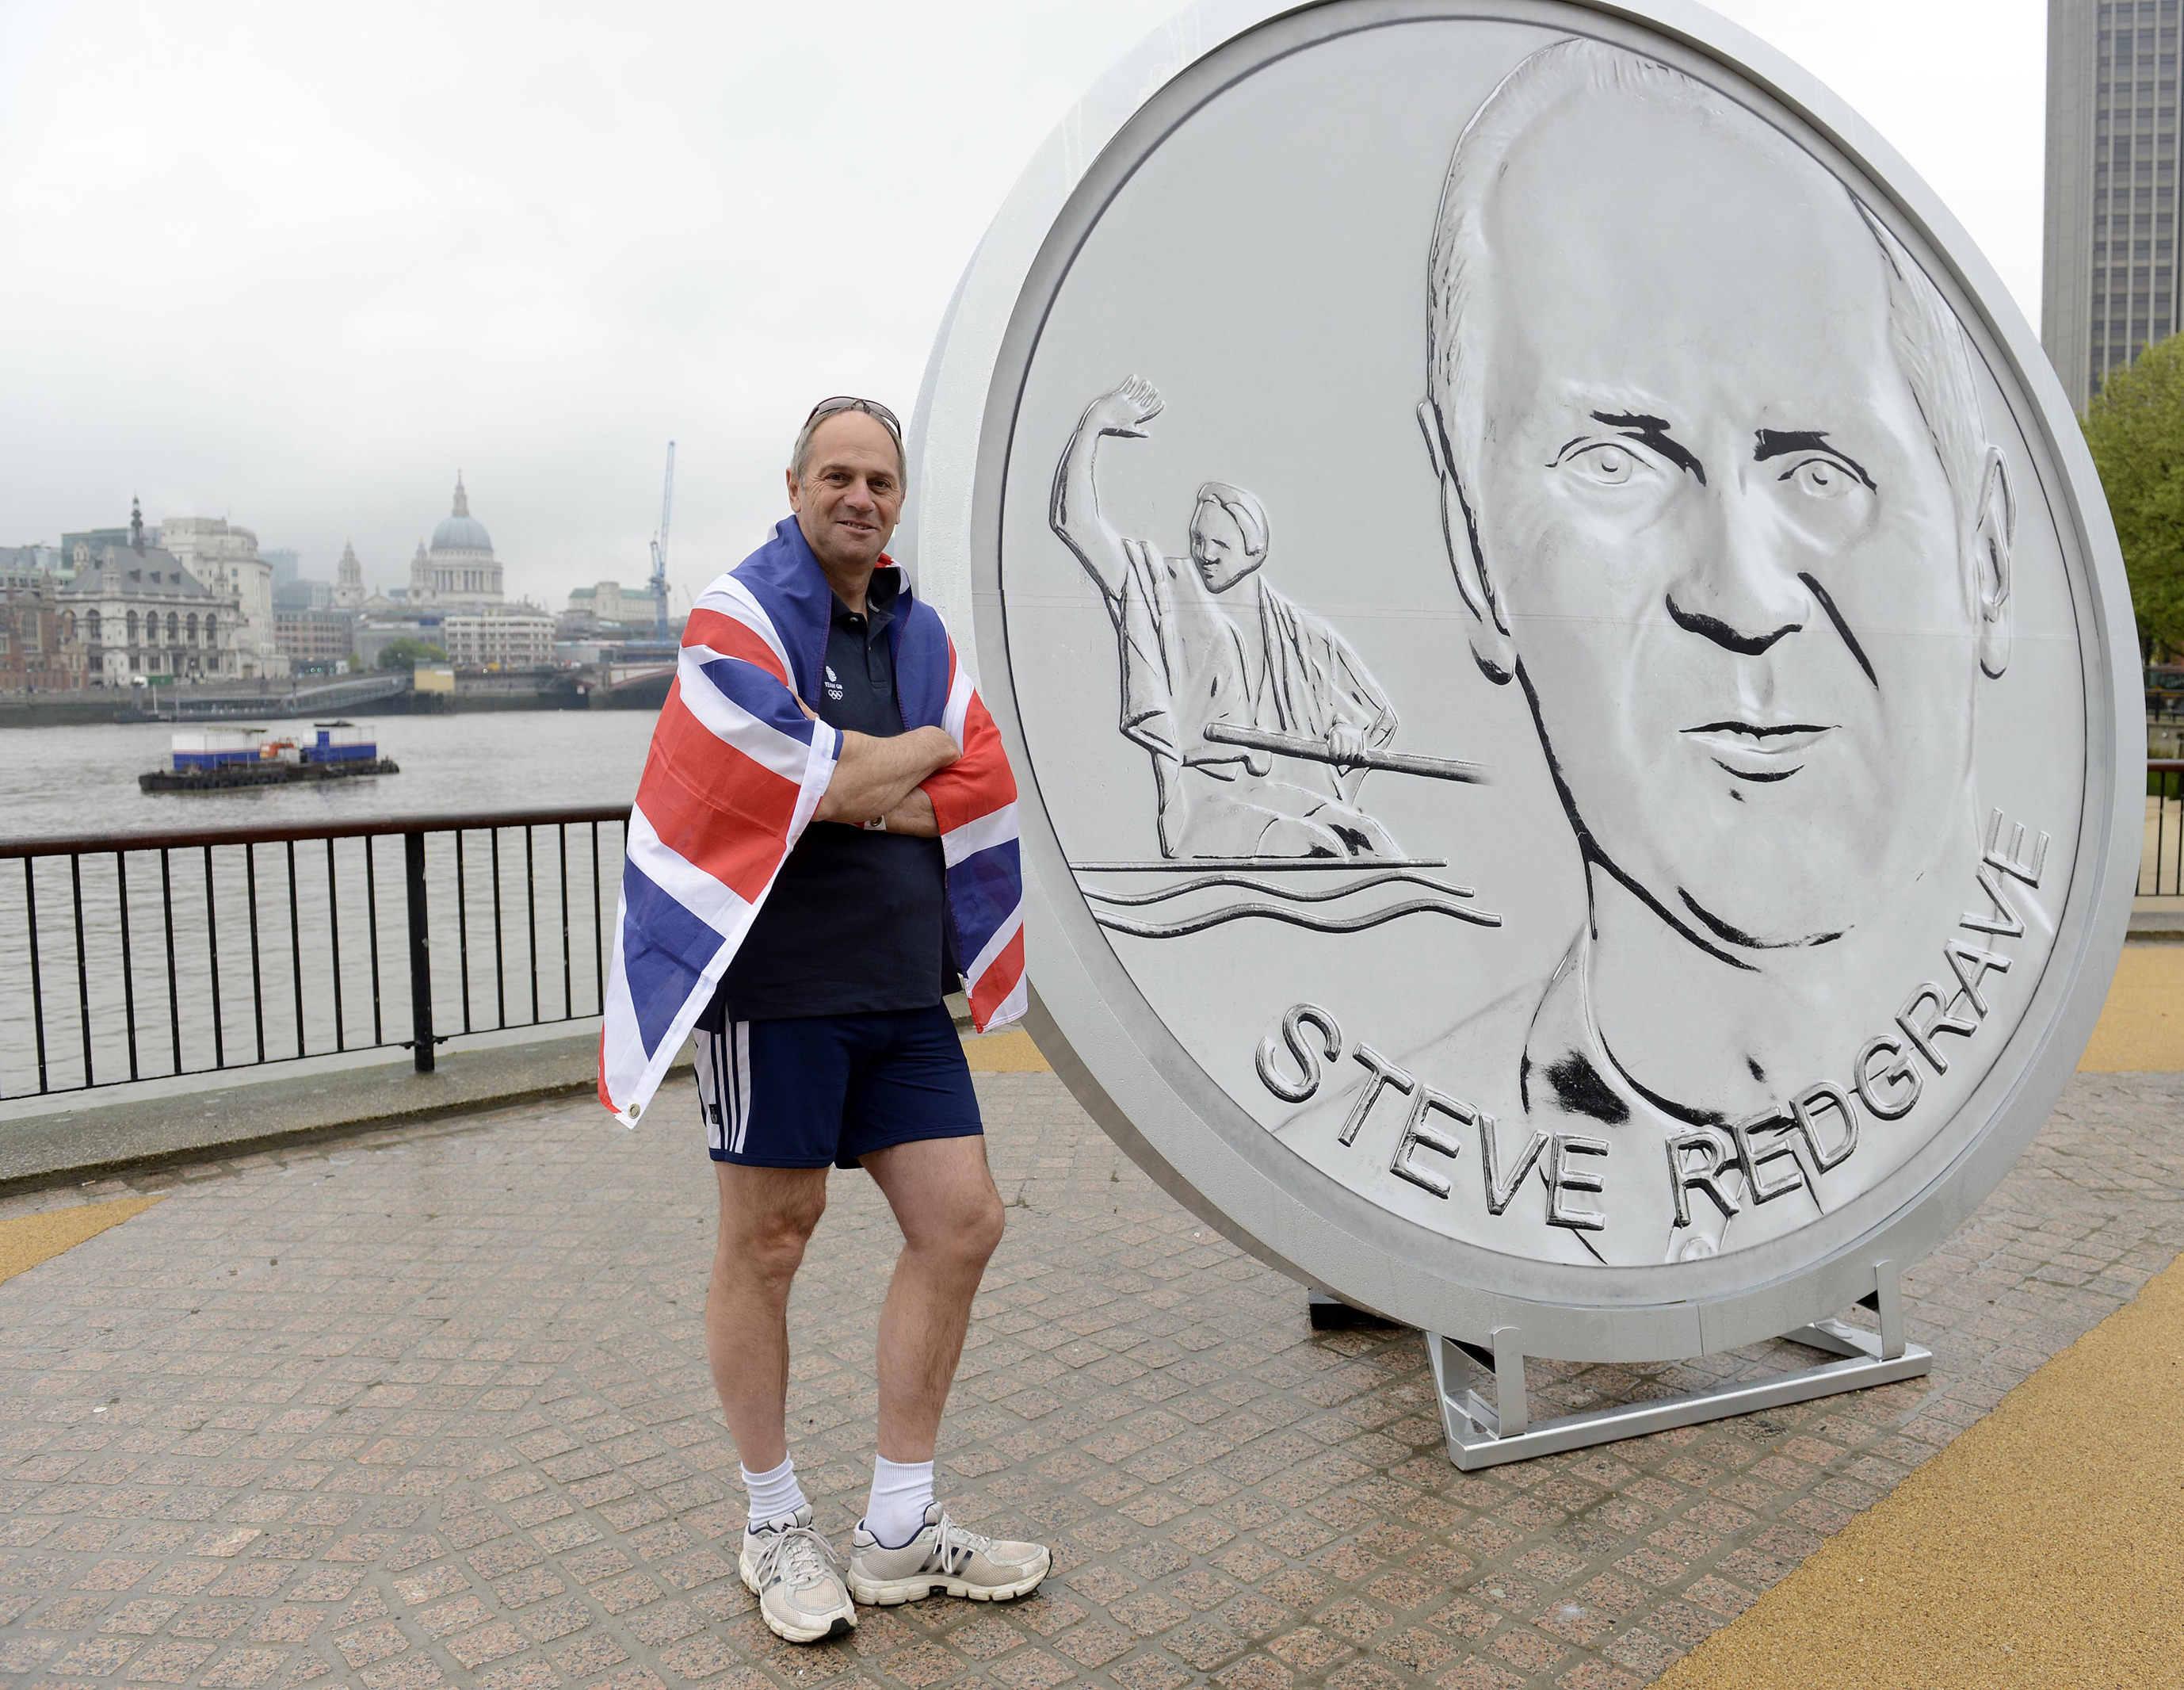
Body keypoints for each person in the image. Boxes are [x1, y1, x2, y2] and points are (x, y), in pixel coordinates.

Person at [1289, 39, 2025, 1267]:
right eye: (1615, 465)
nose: (1743, 594)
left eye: (1820, 470)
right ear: (1475, 554)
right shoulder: (1401, 1147)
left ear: (1987, 556)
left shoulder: (2030, 1020)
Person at [599, 397, 1046, 1643]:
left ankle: (900, 1529)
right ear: (794, 483)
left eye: (881, 481)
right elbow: (840, 780)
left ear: (901, 500)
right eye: (838, 475)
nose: (861, 496)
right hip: (776, 997)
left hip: (905, 995)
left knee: (963, 1224)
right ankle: (773, 1523)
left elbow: (971, 779)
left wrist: (845, 782)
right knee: (770, 1245)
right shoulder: (740, 619)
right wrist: (892, 764)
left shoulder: (923, 631)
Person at [1052, 377, 1401, 858]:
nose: (1204, 555)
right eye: (1198, 540)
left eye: (1220, 545)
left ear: (1255, 551)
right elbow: (1077, 525)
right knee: (1320, 847)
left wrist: (1348, 734)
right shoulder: (1162, 589)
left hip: (1271, 794)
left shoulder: (1300, 634)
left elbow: (1364, 717)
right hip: (1207, 806)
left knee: (1371, 840)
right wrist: (1092, 427)